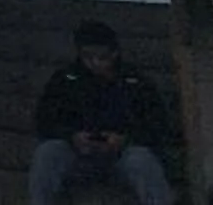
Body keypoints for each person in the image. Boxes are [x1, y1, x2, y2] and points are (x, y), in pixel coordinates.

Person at [30, 20, 171, 205]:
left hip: (122, 157)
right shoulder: (65, 80)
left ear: (115, 53)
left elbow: (157, 125)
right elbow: (44, 119)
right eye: (88, 57)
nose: (95, 63)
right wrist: (72, 137)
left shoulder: (136, 82)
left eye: (102, 57)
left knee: (142, 160)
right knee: (47, 153)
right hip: (76, 154)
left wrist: (124, 140)